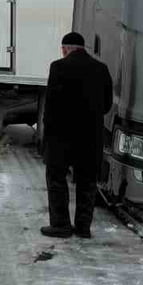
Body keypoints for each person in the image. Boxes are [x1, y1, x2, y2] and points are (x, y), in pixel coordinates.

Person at [40, 31, 113, 240]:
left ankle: (61, 225)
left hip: (61, 137)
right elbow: (106, 105)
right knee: (87, 182)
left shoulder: (58, 67)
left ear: (66, 48)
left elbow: (51, 106)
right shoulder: (101, 69)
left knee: (56, 179)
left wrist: (47, 136)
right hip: (90, 138)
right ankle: (82, 228)